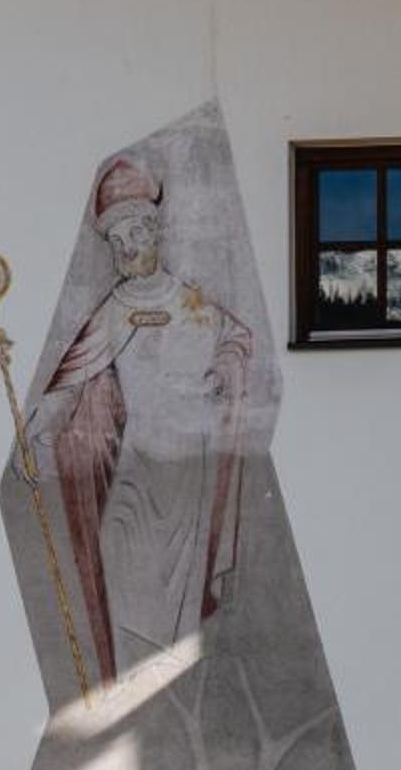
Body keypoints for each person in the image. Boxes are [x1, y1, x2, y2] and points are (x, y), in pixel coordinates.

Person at [35, 153, 255, 679]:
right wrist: (35, 432)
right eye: (116, 241)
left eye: (135, 233)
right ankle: (132, 683)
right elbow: (67, 382)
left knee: (180, 602)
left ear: (156, 231)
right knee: (117, 557)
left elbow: (238, 340)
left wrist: (224, 369)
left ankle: (171, 687)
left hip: (188, 478)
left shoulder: (192, 303)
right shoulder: (113, 311)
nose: (127, 248)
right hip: (135, 471)